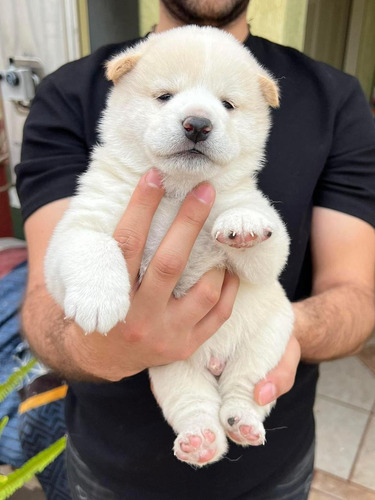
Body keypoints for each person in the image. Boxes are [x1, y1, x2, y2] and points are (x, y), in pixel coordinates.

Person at [16, 0, 375, 498]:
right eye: (165, 95)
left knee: (258, 343)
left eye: (228, 106)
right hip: (111, 463)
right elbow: (55, 274)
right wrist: (94, 335)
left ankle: (241, 407)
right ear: (122, 86)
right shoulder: (68, 96)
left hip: (273, 470)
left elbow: (331, 284)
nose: (198, 118)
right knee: (176, 377)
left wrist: (258, 258)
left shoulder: (333, 98)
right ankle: (196, 421)